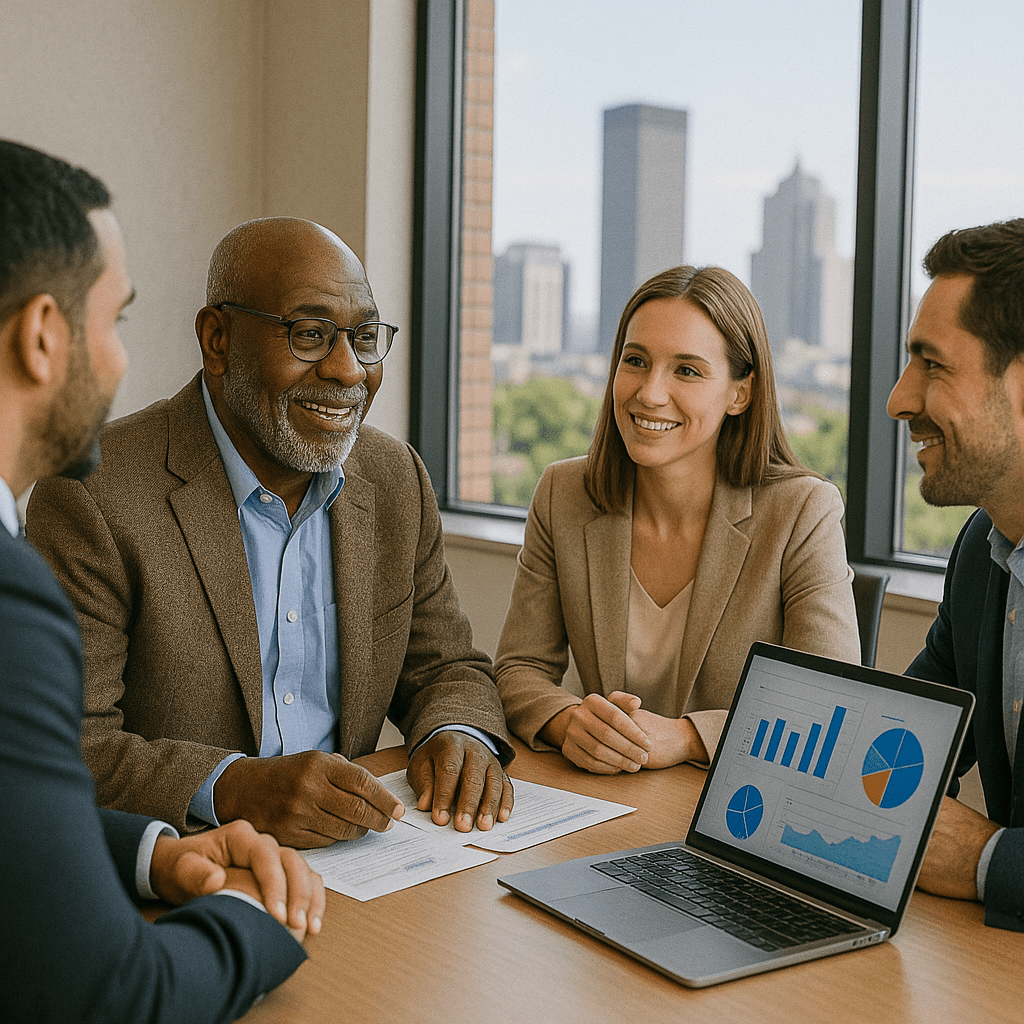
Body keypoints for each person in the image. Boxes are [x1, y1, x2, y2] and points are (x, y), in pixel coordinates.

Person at [27, 215, 514, 848]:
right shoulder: (94, 493)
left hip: (362, 867)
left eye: (364, 337)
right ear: (218, 338)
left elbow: (446, 667)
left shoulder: (394, 479)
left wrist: (459, 735)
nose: (348, 370)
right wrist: (231, 788)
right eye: (309, 335)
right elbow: (61, 744)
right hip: (184, 871)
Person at [0, 139, 324, 1022]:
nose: (122, 363)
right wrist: (259, 919)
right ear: (42, 337)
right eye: (116, 322)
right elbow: (116, 999)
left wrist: (153, 852)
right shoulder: (8, 599)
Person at [494, 265, 860, 773]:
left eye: (686, 370)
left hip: (735, 810)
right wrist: (567, 721)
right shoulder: (564, 494)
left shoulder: (802, 511)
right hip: (604, 802)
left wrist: (689, 738)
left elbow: (830, 704)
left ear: (740, 393)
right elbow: (518, 668)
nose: (649, 393)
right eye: (636, 361)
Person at [887, 218, 1024, 931]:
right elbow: (901, 740)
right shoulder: (983, 549)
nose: (898, 400)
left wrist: (986, 859)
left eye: (932, 366)